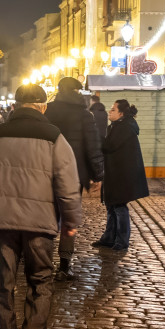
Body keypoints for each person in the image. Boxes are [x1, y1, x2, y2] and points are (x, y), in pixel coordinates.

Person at [0, 84, 82, 329]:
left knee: (2, 286)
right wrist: (71, 222)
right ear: (42, 107)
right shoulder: (55, 137)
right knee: (41, 279)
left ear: (15, 106)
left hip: (2, 223)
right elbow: (68, 186)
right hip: (40, 225)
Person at [43, 76, 103, 281]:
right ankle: (65, 264)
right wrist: (98, 175)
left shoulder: (48, 111)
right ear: (77, 92)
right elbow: (92, 146)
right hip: (74, 174)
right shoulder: (84, 114)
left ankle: (41, 259)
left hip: (47, 171)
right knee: (69, 220)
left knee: (47, 216)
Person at [93, 99, 148, 252]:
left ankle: (122, 241)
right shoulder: (119, 126)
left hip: (122, 175)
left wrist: (96, 136)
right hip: (116, 173)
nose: (110, 112)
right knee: (112, 206)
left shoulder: (123, 128)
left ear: (121, 113)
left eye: (113, 109)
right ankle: (109, 238)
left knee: (119, 207)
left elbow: (109, 146)